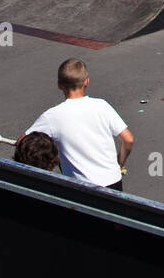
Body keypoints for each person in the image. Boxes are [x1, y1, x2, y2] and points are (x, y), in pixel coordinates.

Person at [20, 58, 134, 191]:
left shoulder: (52, 116)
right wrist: (119, 164)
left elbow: (22, 141)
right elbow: (128, 139)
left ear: (59, 85)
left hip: (81, 186)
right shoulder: (102, 105)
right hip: (112, 180)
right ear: (87, 82)